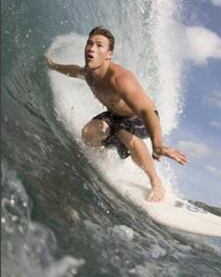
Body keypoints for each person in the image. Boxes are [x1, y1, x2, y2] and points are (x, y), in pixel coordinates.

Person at [45, 26, 188, 202]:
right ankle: (103, 161)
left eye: (99, 45)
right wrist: (53, 66)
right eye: (89, 44)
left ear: (109, 54)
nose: (91, 48)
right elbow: (75, 71)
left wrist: (158, 145)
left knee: (124, 132)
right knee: (88, 133)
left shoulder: (120, 79)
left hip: (141, 118)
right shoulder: (89, 73)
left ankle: (155, 181)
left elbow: (146, 110)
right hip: (116, 115)